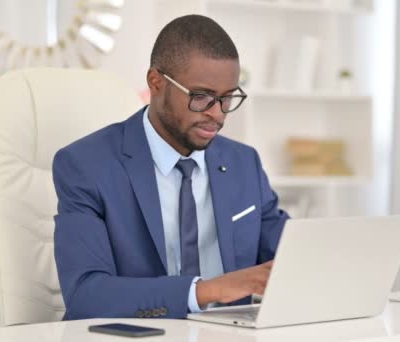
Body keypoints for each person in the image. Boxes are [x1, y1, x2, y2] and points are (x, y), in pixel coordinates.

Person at [53, 14, 289, 320]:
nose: (217, 115)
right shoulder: (86, 166)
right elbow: (86, 295)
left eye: (228, 98)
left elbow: (290, 257)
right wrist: (207, 290)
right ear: (156, 82)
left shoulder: (244, 163)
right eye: (202, 97)